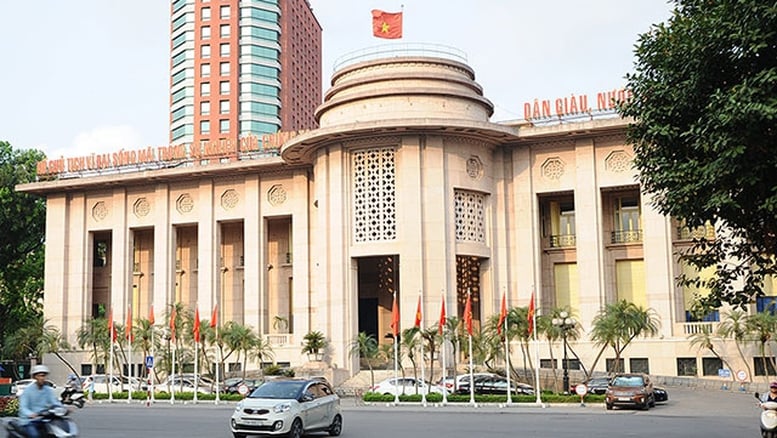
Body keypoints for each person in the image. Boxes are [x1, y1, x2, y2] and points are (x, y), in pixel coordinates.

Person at [18, 364, 62, 438]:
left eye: (44, 376)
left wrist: (63, 408)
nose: (42, 378)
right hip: (29, 421)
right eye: (40, 376)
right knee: (35, 435)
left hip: (44, 419)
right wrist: (31, 414)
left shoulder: (48, 390)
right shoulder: (28, 390)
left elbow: (54, 402)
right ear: (35, 377)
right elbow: (23, 407)